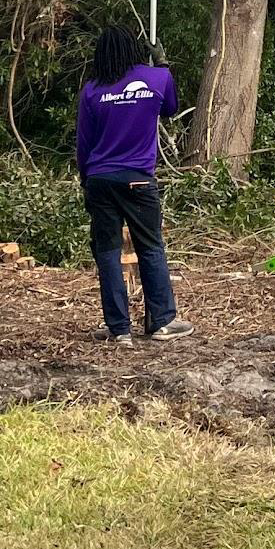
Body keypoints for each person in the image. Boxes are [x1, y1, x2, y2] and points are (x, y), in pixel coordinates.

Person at [75, 26, 194, 345]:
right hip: (138, 178)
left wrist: (86, 181)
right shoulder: (156, 79)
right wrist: (164, 64)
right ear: (135, 48)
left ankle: (119, 330)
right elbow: (170, 109)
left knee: (108, 252)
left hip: (100, 178)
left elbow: (84, 143)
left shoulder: (92, 89)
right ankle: (162, 323)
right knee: (150, 246)